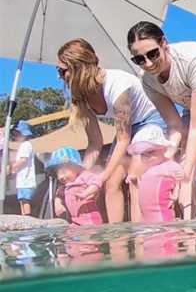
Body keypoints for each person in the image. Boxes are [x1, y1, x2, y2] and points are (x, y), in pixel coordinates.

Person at [57, 38, 166, 222]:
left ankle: (142, 237)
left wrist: (98, 179)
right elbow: (94, 143)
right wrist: (80, 176)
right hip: (127, 130)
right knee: (111, 181)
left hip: (150, 121)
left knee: (134, 177)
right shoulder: (82, 96)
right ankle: (117, 240)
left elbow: (123, 140)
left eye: (62, 70)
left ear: (78, 67)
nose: (59, 76)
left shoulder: (117, 84)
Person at [127, 21, 196, 217]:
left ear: (164, 43)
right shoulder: (148, 80)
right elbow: (175, 125)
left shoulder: (193, 61)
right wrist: (165, 158)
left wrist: (186, 170)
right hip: (192, 112)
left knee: (193, 168)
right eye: (139, 59)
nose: (148, 64)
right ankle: (188, 229)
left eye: (152, 53)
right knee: (182, 163)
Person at [127, 125, 185, 222]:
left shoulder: (169, 166)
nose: (146, 156)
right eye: (142, 154)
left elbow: (181, 177)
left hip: (162, 218)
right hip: (146, 221)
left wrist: (176, 192)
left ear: (163, 148)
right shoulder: (146, 171)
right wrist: (135, 182)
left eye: (150, 152)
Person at [46, 146, 104, 226]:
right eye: (57, 173)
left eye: (63, 171)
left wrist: (86, 193)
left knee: (90, 235)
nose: (60, 176)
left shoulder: (83, 176)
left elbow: (97, 181)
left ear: (77, 167)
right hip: (75, 221)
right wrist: (58, 204)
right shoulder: (65, 186)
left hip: (90, 219)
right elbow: (58, 194)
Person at [8, 122, 36, 216]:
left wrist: (12, 167)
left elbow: (23, 160)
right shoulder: (23, 146)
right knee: (21, 199)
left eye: (17, 133)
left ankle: (27, 216)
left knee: (25, 199)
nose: (15, 136)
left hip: (26, 179)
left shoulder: (26, 145)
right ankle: (23, 215)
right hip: (22, 180)